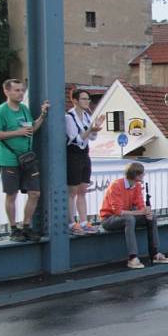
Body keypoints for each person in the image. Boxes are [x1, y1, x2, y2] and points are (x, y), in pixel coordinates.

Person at [0, 79, 50, 242]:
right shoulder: (1, 111)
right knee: (12, 194)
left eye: (22, 90)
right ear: (6, 92)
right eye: (16, 90)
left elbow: (31, 129)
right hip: (8, 158)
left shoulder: (24, 109)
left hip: (27, 158)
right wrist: (17, 132)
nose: (20, 93)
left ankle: (27, 227)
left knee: (35, 192)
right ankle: (14, 229)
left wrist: (42, 115)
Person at [100, 162, 168, 269]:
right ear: (136, 175)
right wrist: (141, 212)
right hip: (108, 219)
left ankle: (154, 253)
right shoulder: (116, 186)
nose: (144, 175)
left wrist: (147, 212)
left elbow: (140, 205)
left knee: (152, 218)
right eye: (142, 174)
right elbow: (118, 212)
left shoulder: (137, 186)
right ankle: (132, 258)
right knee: (130, 219)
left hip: (125, 217)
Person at [66, 88, 105, 236]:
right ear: (75, 101)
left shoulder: (87, 116)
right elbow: (75, 138)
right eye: (83, 99)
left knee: (83, 188)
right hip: (73, 153)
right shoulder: (69, 117)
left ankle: (83, 221)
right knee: (72, 190)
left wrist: (95, 129)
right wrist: (91, 130)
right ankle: (71, 222)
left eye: (88, 99)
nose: (87, 101)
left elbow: (92, 138)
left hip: (84, 153)